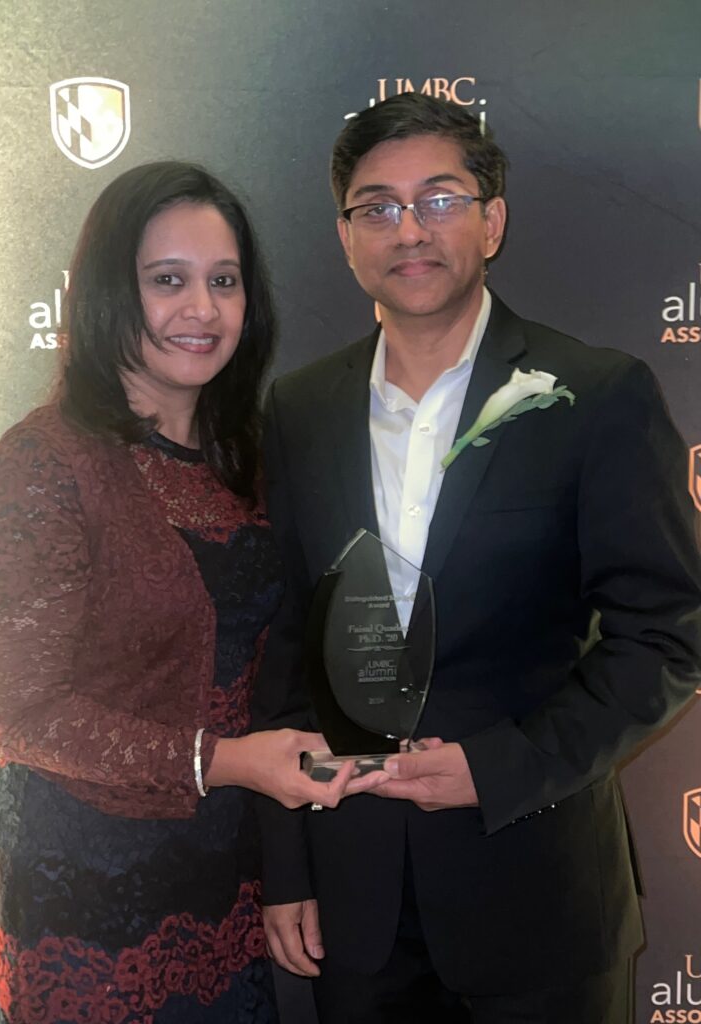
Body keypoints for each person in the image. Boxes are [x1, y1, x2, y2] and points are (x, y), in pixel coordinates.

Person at [253, 94, 701, 1023]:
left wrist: (500, 768)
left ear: (492, 222)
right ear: (345, 237)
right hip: (355, 903)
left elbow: (666, 638)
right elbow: (285, 643)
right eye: (376, 207)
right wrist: (286, 866)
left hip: (538, 893)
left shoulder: (596, 393)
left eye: (440, 199)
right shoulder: (299, 411)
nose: (408, 229)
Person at [0, 161, 357, 1024]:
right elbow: (18, 717)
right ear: (110, 292)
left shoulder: (246, 458)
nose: (203, 310)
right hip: (83, 879)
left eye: (224, 281)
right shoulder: (43, 463)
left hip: (223, 863)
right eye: (167, 282)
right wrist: (221, 762)